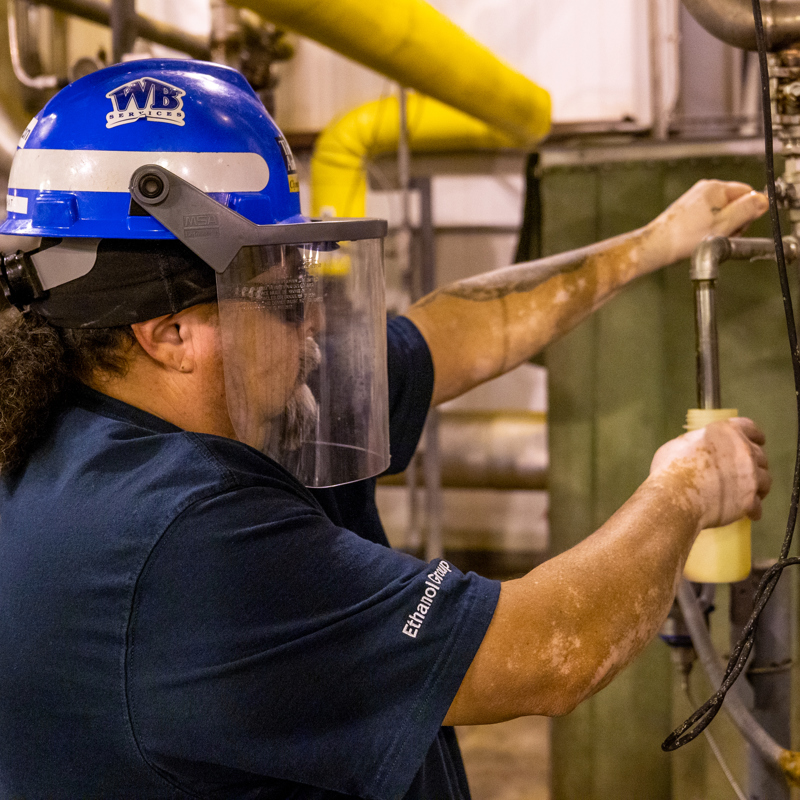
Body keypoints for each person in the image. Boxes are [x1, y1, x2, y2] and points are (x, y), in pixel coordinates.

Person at [0, 59, 770, 800]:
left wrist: (651, 243)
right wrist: (689, 486)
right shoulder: (179, 544)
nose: (313, 330)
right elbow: (548, 653)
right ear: (170, 334)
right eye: (283, 293)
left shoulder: (120, 415)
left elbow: (454, 334)